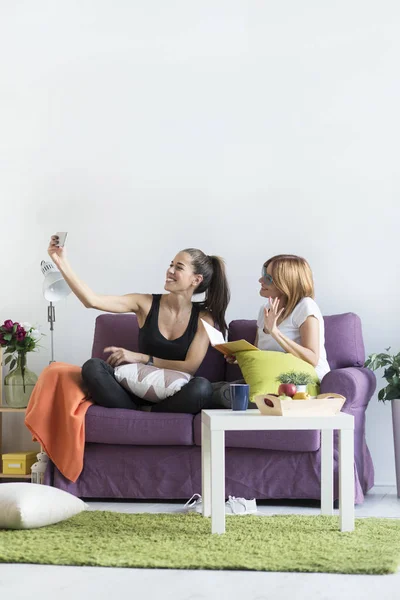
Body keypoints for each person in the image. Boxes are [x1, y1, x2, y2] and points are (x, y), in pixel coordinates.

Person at [48, 235, 230, 414]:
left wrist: (142, 358)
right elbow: (92, 301)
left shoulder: (204, 318)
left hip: (173, 397)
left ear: (196, 280)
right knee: (92, 367)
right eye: (171, 264)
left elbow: (189, 367)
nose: (170, 270)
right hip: (130, 392)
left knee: (202, 388)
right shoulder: (145, 303)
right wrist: (61, 262)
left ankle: (143, 413)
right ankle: (143, 412)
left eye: (179, 267)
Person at [212, 254, 330, 406]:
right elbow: (259, 353)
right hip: (273, 379)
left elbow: (312, 358)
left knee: (226, 395)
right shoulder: (265, 309)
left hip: (302, 386)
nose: (260, 281)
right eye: (263, 275)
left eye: (268, 278)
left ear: (287, 283)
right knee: (210, 390)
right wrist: (240, 356)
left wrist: (275, 332)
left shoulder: (305, 307)